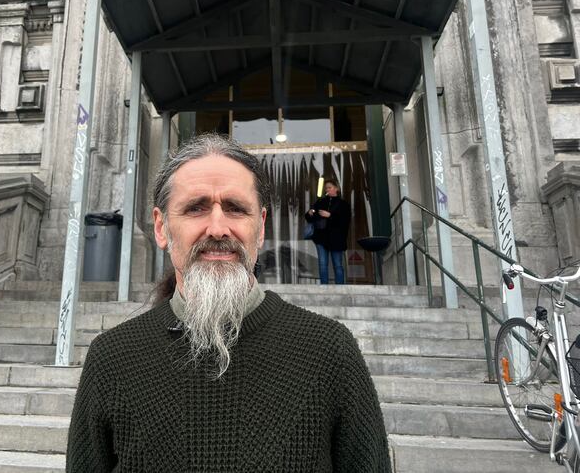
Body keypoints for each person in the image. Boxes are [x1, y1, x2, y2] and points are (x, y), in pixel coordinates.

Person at [66, 134, 390, 472]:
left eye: (235, 208)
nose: (218, 228)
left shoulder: (329, 350)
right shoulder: (112, 358)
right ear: (162, 228)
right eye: (196, 208)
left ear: (260, 227)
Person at [305, 179, 351, 284]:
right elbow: (309, 216)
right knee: (322, 264)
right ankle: (324, 287)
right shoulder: (321, 202)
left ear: (336, 189)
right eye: (326, 188)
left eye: (330, 187)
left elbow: (345, 221)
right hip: (321, 238)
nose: (327, 190)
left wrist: (330, 215)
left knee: (338, 265)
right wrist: (310, 213)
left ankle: (340, 287)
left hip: (337, 238)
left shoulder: (343, 204)